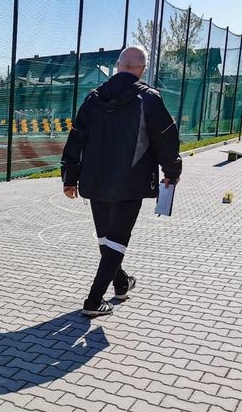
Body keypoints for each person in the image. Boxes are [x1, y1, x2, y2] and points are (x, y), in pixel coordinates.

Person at [60, 45, 182, 317]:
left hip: (94, 181)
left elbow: (76, 137)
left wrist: (70, 177)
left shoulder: (93, 98)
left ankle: (121, 283)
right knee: (116, 241)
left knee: (106, 239)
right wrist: (171, 173)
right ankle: (93, 301)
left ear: (117, 65)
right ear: (143, 69)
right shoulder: (149, 98)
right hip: (131, 182)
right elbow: (166, 138)